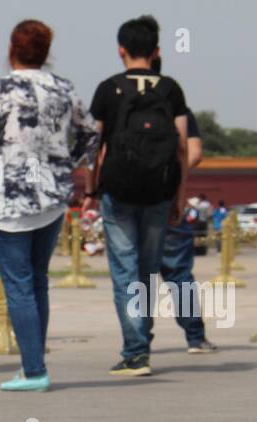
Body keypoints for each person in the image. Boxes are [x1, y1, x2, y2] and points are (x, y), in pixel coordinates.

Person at [0, 19, 98, 392]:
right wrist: (65, 165)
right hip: (52, 197)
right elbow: (90, 134)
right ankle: (33, 364)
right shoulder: (63, 88)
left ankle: (35, 370)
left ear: (12, 49)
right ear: (46, 52)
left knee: (19, 285)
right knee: (38, 282)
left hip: (12, 196)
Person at [84, 15, 190, 378]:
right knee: (146, 271)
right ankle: (140, 342)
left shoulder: (108, 88)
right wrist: (180, 196)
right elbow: (181, 150)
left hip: (119, 189)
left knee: (124, 270)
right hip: (160, 190)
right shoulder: (171, 89)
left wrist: (89, 187)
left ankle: (135, 352)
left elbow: (93, 145)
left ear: (121, 50)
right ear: (157, 51)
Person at [154, 57, 218, 354]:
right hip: (168, 200)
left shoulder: (116, 96)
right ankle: (195, 337)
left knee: (133, 273)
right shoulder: (176, 105)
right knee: (178, 272)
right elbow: (194, 154)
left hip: (128, 200)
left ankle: (136, 343)